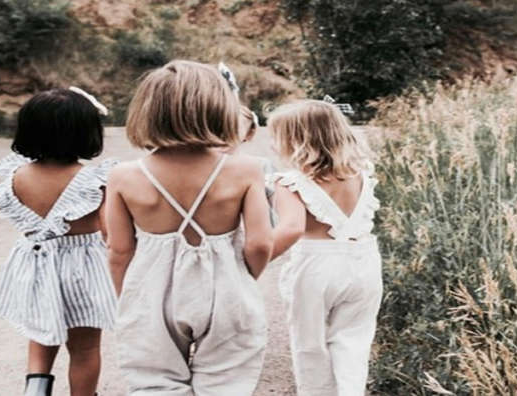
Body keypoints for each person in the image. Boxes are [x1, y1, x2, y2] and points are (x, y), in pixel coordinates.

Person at [106, 60, 273, 395]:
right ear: (218, 107)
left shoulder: (124, 176)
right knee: (226, 382)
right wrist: (242, 278)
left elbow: (119, 251)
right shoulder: (246, 171)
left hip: (151, 292)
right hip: (227, 291)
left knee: (155, 382)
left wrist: (130, 297)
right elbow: (260, 244)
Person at [0, 87, 117, 396]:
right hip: (82, 271)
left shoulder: (17, 176)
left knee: (41, 332)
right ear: (87, 132)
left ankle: (35, 389)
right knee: (85, 348)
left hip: (35, 266)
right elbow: (110, 232)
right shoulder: (95, 180)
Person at [267, 99, 383, 396]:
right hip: (364, 263)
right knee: (353, 343)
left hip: (315, 266)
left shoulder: (289, 183)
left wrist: (252, 262)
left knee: (311, 346)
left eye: (277, 137)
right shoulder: (361, 174)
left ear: (297, 141)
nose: (273, 145)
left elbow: (291, 228)